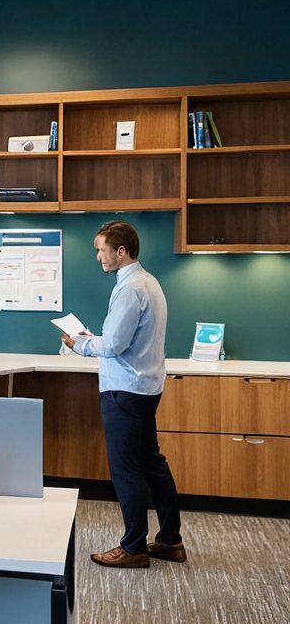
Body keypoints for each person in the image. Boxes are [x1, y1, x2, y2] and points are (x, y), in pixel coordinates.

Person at [62, 221, 185, 569]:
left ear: (120, 251)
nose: (98, 256)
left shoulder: (129, 289)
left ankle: (133, 548)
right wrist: (94, 339)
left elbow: (114, 345)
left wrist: (79, 343)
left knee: (126, 469)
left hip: (125, 391)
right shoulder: (149, 282)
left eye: (101, 249)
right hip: (145, 388)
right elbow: (122, 338)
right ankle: (170, 540)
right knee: (152, 464)